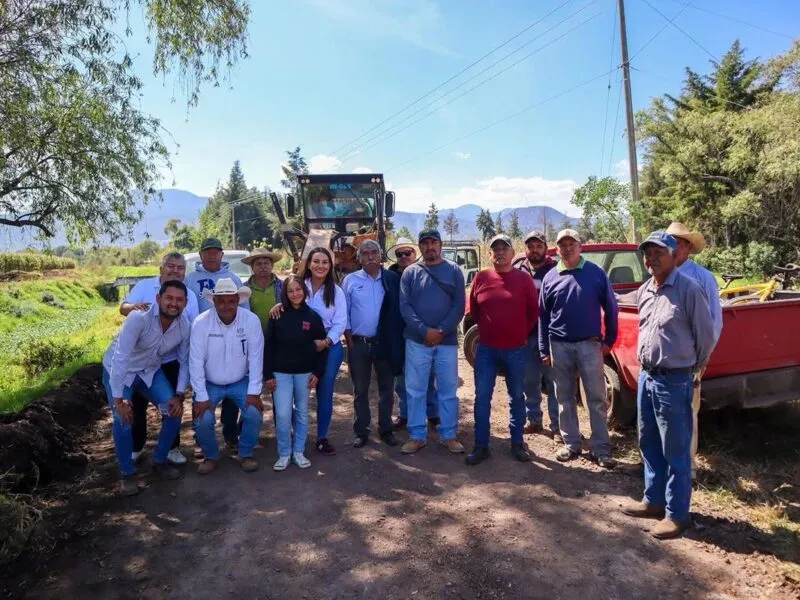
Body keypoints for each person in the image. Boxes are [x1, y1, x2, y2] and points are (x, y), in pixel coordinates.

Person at [621, 231, 715, 539]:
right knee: (649, 442)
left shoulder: (689, 289)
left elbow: (706, 336)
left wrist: (692, 367)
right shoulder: (647, 288)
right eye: (647, 254)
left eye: (658, 253)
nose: (651, 259)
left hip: (674, 379)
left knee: (675, 449)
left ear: (673, 254)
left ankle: (677, 515)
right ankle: (653, 500)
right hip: (648, 376)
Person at [102, 280, 191, 496]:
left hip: (149, 372)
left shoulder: (184, 327)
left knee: (174, 411)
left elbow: (185, 361)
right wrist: (118, 400)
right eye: (169, 298)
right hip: (120, 371)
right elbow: (120, 358)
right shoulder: (138, 319)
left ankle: (159, 461)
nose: (174, 303)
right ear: (159, 299)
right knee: (123, 419)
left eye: (179, 300)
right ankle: (127, 474)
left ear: (185, 303)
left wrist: (179, 395)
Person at [539, 229, 619, 468]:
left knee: (596, 398)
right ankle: (571, 443)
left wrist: (610, 340)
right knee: (564, 396)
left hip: (589, 345)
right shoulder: (551, 278)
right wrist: (544, 349)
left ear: (580, 246)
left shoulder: (595, 273)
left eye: (571, 244)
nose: (567, 248)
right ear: (557, 249)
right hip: (559, 345)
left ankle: (601, 448)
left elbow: (612, 308)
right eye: (562, 245)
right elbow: (543, 316)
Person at [120, 252, 199, 466]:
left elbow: (191, 330)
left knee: (172, 404)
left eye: (180, 268)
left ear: (185, 272)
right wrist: (134, 309)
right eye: (170, 266)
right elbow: (123, 307)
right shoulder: (145, 287)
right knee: (136, 404)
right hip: (141, 359)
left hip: (171, 358)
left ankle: (171, 448)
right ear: (161, 269)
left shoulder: (189, 296)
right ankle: (137, 447)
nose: (175, 270)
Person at [466, 235, 538, 466]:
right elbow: (475, 311)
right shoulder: (481, 277)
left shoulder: (524, 279)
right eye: (495, 249)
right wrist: (490, 331)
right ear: (489, 255)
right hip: (486, 350)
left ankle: (517, 443)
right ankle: (481, 446)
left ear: (512, 253)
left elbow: (533, 313)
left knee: (516, 397)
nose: (500, 253)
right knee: (482, 398)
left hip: (516, 349)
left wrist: (518, 334)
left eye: (504, 249)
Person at [270, 247, 347, 456]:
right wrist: (278, 305)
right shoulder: (299, 285)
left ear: (330, 266)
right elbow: (289, 302)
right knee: (293, 392)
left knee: (324, 391)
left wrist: (327, 341)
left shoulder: (336, 291)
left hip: (328, 347)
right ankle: (290, 435)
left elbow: (340, 322)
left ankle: (322, 437)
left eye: (325, 262)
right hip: (299, 348)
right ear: (309, 264)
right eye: (316, 261)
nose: (320, 266)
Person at [399, 229, 466, 455]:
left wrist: (441, 330)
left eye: (433, 242)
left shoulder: (454, 270)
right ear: (420, 246)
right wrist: (424, 331)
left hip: (446, 343)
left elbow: (459, 306)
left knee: (448, 390)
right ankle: (417, 435)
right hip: (417, 342)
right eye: (425, 243)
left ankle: (449, 435)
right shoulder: (410, 273)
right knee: (416, 390)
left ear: (440, 244)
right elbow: (405, 307)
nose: (430, 247)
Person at [666, 222, 723, 479]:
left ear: (688, 246)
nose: (673, 247)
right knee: (665, 413)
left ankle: (687, 469)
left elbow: (714, 322)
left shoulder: (703, 278)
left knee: (688, 412)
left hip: (691, 360)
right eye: (670, 242)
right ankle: (666, 465)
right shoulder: (660, 275)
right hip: (665, 360)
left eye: (678, 242)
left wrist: (703, 358)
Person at [189, 279, 264, 474]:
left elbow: (256, 358)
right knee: (203, 418)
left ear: (238, 300)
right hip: (210, 382)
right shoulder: (201, 322)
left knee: (254, 413)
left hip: (240, 380)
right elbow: (195, 361)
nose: (226, 306)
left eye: (231, 301)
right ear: (214, 301)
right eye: (221, 301)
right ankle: (211, 456)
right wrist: (201, 396)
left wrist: (254, 391)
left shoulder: (251, 321)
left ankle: (245, 453)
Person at [343, 240, 405, 448]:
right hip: (359, 344)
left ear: (381, 256)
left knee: (386, 390)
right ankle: (361, 431)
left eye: (374, 253)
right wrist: (350, 341)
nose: (370, 257)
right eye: (365, 253)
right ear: (359, 258)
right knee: (360, 390)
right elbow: (344, 314)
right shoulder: (350, 280)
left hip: (385, 343)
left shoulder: (391, 280)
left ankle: (386, 429)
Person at [184, 237, 244, 451]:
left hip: (230, 339)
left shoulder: (233, 279)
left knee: (230, 382)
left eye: (215, 252)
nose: (211, 255)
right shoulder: (190, 279)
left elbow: (244, 310)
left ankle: (230, 434)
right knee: (201, 386)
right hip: (200, 340)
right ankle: (201, 436)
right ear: (201, 255)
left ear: (221, 255)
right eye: (207, 251)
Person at [264, 275, 328, 471]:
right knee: (283, 414)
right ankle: (284, 453)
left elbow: (321, 347)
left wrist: (318, 372)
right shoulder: (277, 314)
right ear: (285, 293)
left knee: (301, 413)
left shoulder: (313, 317)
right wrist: (268, 375)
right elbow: (269, 346)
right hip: (280, 373)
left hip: (304, 373)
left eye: (298, 289)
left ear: (304, 291)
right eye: (290, 291)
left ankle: (298, 451)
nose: (295, 294)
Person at [387, 237, 439, 431]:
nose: (404, 257)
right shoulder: (390, 277)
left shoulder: (425, 273)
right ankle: (405, 414)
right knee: (401, 379)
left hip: (421, 333)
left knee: (428, 375)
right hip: (398, 334)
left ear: (414, 254)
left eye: (407, 253)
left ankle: (432, 413)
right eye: (400, 254)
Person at [514, 230, 559, 438]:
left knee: (554, 383)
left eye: (538, 246)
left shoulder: (556, 269)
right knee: (529, 381)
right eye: (530, 247)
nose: (534, 250)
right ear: (526, 249)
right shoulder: (519, 269)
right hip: (527, 335)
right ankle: (534, 420)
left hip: (551, 335)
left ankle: (558, 426)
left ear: (545, 248)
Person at [243, 247, 284, 331]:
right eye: (259, 264)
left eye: (266, 263)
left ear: (272, 265)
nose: (263, 266)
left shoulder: (283, 286)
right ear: (252, 267)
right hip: (252, 335)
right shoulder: (244, 289)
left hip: (279, 337)